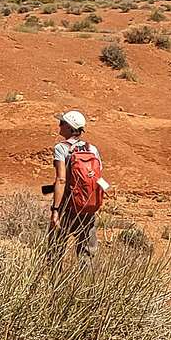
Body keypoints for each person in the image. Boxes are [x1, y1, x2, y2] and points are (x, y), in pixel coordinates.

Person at [48, 109, 101, 263]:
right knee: (87, 254)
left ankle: (54, 284)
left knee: (55, 250)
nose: (59, 126)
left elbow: (61, 180)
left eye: (62, 123)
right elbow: (98, 178)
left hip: (67, 206)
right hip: (87, 206)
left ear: (70, 128)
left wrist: (56, 211)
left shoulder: (61, 148)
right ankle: (87, 286)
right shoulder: (92, 149)